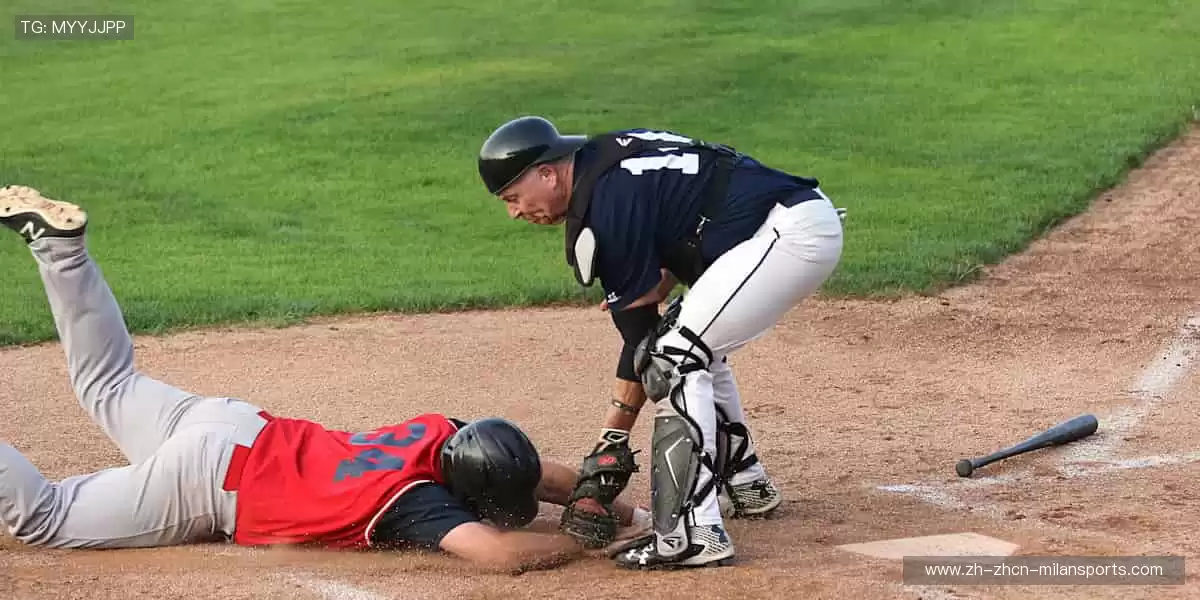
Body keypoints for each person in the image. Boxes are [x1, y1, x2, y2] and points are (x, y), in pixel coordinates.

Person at [0, 185, 650, 573]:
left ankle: (61, 251)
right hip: (206, 482)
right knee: (47, 519)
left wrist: (627, 510)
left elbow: (537, 471)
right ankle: (59, 252)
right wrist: (575, 539)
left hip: (231, 424)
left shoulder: (443, 433)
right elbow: (499, 555)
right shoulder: (418, 504)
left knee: (108, 385)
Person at [476, 117, 845, 569]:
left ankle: (691, 533)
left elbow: (642, 343)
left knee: (673, 357)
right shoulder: (606, 161)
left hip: (787, 236)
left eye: (513, 197)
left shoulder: (605, 206)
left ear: (548, 173)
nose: (514, 211)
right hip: (784, 225)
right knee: (692, 346)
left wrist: (609, 443)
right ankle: (747, 484)